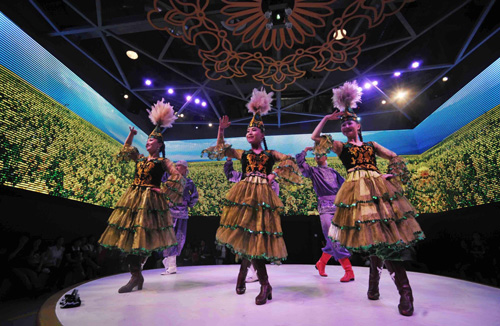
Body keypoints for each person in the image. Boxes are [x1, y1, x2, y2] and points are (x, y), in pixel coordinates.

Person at [312, 81, 424, 316]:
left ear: (358, 124)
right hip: (356, 193)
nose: (345, 126)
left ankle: (403, 292)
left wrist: (390, 173)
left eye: (349, 122)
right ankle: (375, 287)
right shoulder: (341, 147)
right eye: (343, 124)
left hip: (378, 190)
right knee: (375, 237)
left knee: (384, 238)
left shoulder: (371, 145)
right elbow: (316, 137)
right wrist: (326, 119)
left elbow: (393, 156)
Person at [202, 88, 301, 305]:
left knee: (255, 235)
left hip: (262, 196)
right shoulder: (243, 153)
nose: (249, 132)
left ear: (262, 134)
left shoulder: (270, 154)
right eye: (247, 130)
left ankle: (263, 283)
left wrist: (273, 174)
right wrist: (221, 130)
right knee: (246, 235)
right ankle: (246, 275)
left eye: (254, 130)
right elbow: (220, 149)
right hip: (244, 193)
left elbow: (290, 159)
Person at [98, 99, 185, 293]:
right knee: (129, 238)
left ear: (160, 144)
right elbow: (126, 151)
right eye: (147, 140)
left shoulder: (163, 161)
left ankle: (136, 276)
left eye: (151, 140)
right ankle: (136, 276)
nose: (148, 142)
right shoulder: (141, 158)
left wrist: (163, 190)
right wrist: (131, 135)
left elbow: (177, 177)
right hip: (134, 198)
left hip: (150, 202)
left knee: (141, 239)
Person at [295, 147, 355, 282]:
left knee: (332, 239)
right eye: (315, 155)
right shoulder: (313, 171)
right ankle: (348, 270)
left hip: (338, 207)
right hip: (325, 208)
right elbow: (300, 162)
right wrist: (305, 150)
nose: (317, 157)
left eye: (320, 154)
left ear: (326, 157)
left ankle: (321, 263)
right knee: (334, 237)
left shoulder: (333, 171)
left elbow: (345, 186)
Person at [223, 157, 280, 283]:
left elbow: (273, 202)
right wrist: (228, 162)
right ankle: (255, 275)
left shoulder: (272, 182)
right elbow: (230, 174)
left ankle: (253, 276)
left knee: (254, 245)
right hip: (246, 217)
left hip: (260, 218)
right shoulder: (246, 177)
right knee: (248, 245)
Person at [161, 160, 199, 275]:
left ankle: (171, 264)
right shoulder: (169, 178)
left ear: (185, 169)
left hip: (181, 213)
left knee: (178, 237)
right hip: (168, 211)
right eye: (176, 165)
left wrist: (187, 204)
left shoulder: (189, 182)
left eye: (180, 166)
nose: (177, 167)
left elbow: (194, 196)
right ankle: (169, 263)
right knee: (167, 237)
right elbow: (163, 180)